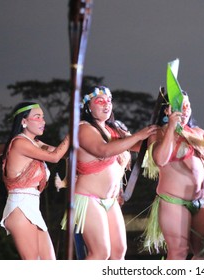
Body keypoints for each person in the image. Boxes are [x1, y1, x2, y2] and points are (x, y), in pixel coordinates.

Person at [60, 86, 158, 260]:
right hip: (88, 198)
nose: (106, 104)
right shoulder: (82, 129)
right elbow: (103, 150)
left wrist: (162, 128)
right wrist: (137, 136)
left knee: (119, 251)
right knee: (100, 253)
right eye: (100, 101)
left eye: (109, 101)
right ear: (88, 107)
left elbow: (140, 146)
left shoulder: (115, 129)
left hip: (110, 201)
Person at [142, 90, 204, 260]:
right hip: (173, 202)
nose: (185, 109)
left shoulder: (197, 132)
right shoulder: (158, 133)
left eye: (188, 105)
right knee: (178, 252)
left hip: (200, 202)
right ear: (167, 109)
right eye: (180, 105)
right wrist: (171, 127)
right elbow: (160, 160)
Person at [0, 101, 69, 260]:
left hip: (32, 208)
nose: (43, 121)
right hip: (20, 208)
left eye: (43, 117)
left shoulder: (36, 143)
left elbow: (62, 153)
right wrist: (71, 134)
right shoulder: (19, 142)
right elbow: (54, 157)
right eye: (37, 117)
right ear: (23, 121)